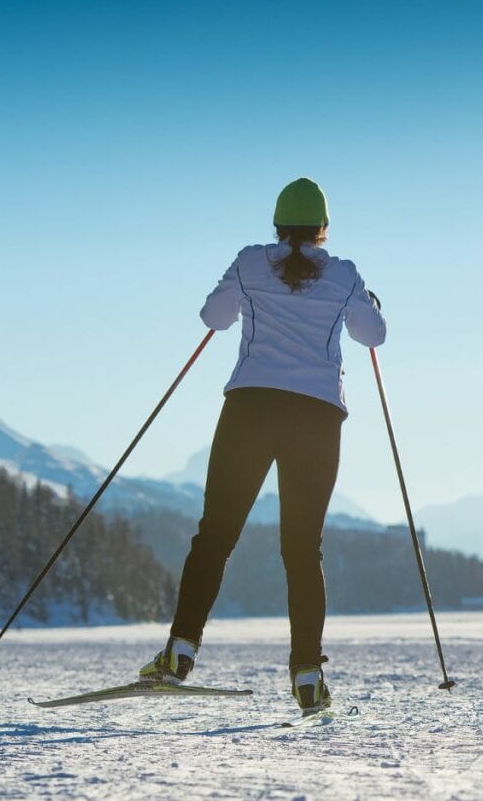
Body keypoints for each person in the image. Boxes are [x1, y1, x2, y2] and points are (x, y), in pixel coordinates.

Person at [139, 177, 386, 712]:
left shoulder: (251, 263)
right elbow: (373, 336)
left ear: (277, 225)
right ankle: (305, 676)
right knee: (302, 549)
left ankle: (180, 652)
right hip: (317, 417)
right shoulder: (344, 274)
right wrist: (366, 301)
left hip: (250, 409)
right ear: (323, 228)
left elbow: (213, 318)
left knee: (216, 534)